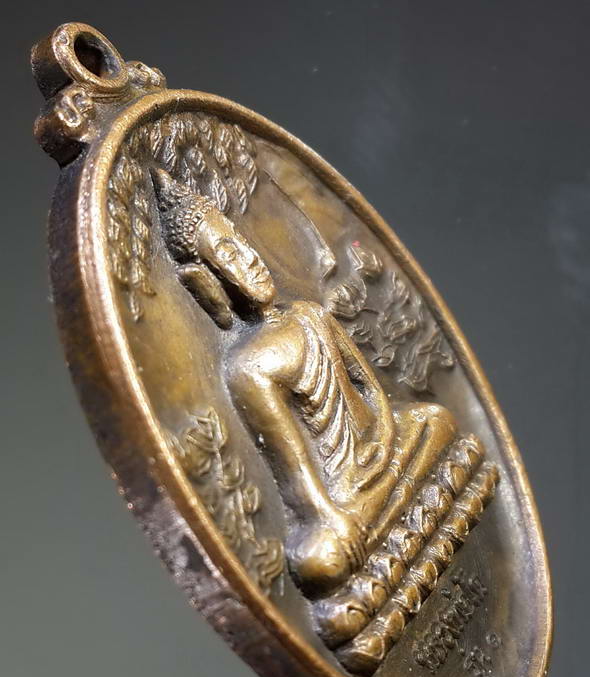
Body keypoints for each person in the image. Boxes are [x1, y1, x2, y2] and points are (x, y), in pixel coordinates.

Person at [152, 168, 457, 596]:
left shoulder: (309, 315)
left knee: (437, 420)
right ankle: (395, 537)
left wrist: (384, 436)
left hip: (380, 451)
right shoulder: (248, 366)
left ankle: (389, 551)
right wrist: (328, 514)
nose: (249, 256)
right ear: (205, 278)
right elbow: (293, 473)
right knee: (319, 562)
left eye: (241, 242)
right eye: (228, 252)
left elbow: (369, 388)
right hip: (342, 492)